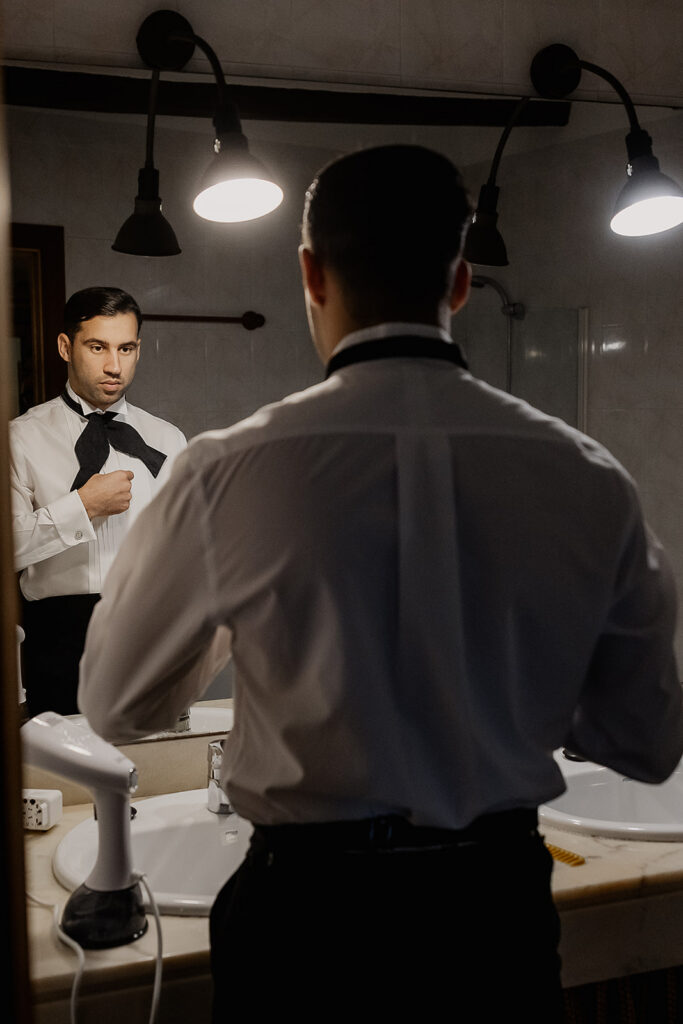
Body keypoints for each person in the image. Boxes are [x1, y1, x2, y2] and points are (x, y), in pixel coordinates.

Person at [78, 146, 683, 1021]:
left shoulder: (226, 471)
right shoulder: (586, 475)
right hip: (493, 914)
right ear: (463, 281)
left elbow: (116, 703)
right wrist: (526, 672)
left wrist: (228, 626)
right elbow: (650, 740)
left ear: (309, 273)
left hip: (306, 923)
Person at [11, 286, 186, 717]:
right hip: (56, 641)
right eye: (97, 347)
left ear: (138, 349)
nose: (114, 366)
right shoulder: (20, 438)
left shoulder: (168, 439)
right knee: (63, 779)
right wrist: (82, 507)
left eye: (126, 348)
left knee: (157, 771)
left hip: (150, 633)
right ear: (65, 347)